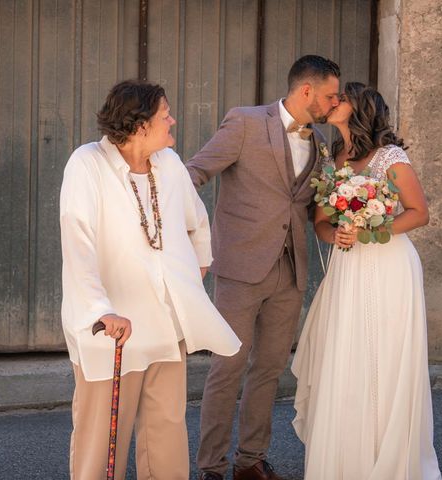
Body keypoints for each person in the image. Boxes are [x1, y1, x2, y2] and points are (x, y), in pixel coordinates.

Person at [60, 80, 241, 480]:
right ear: (141, 125)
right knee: (101, 443)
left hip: (164, 325)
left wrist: (191, 280)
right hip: (113, 330)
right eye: (165, 115)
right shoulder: (86, 164)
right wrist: (99, 310)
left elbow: (197, 225)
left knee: (165, 439)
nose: (173, 120)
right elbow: (78, 243)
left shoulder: (170, 164)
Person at [185, 55, 341, 480]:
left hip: (291, 270)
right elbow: (195, 172)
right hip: (240, 265)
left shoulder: (322, 143)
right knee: (227, 366)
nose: (335, 103)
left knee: (270, 368)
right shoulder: (245, 122)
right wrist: (173, 227)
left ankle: (250, 460)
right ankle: (211, 466)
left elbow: (309, 206)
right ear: (306, 90)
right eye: (330, 95)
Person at [291, 82, 442, 479]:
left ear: (360, 109)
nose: (332, 101)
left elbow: (419, 212)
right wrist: (339, 234)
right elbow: (322, 224)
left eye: (341, 98)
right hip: (348, 267)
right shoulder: (331, 160)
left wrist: (371, 230)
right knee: (346, 352)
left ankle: (387, 458)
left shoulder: (389, 156)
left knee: (385, 355)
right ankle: (346, 460)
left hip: (388, 264)